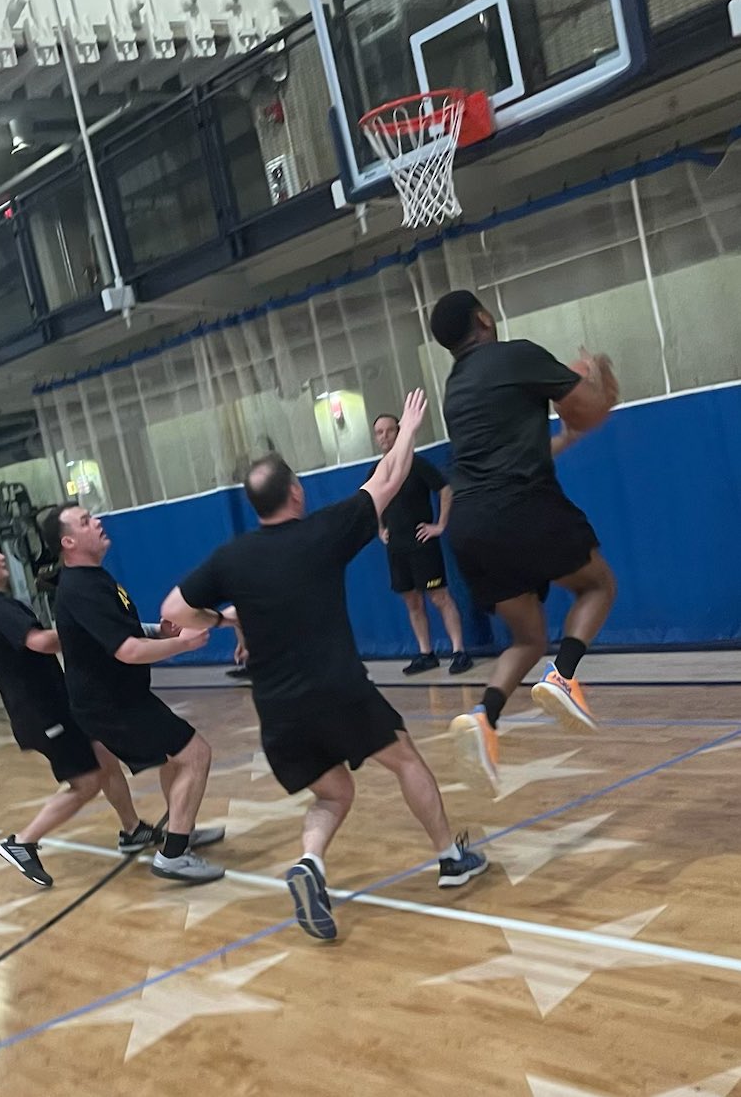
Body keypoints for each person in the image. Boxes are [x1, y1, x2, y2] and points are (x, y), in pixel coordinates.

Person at [162, 389, 487, 943]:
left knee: (333, 793)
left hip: (278, 712)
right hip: (338, 692)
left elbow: (172, 611)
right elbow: (387, 482)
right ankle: (450, 858)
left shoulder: (231, 557)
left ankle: (309, 863)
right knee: (406, 760)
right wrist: (407, 429)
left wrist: (226, 622)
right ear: (295, 492)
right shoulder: (325, 530)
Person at [429, 290, 619, 795]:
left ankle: (483, 718)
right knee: (597, 585)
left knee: (528, 638)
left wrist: (567, 436)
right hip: (521, 508)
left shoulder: (457, 386)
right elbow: (590, 411)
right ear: (484, 317)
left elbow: (523, 449)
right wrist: (594, 376)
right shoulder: (516, 354)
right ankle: (564, 676)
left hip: (471, 524)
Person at [0, 539, 162, 888]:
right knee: (86, 782)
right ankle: (22, 843)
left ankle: (132, 830)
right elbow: (42, 642)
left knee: (104, 757)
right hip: (43, 713)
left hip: (60, 702)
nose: (1, 555)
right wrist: (86, 629)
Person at [40, 504, 227, 885]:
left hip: (121, 699)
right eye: (86, 521)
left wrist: (160, 632)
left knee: (174, 761)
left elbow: (119, 630)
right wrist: (185, 646)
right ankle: (173, 855)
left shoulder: (95, 579)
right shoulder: (80, 588)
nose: (98, 523)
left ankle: (181, 830)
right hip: (111, 706)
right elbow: (127, 650)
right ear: (69, 541)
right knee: (196, 755)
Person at [370, 412, 473, 676]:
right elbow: (371, 502)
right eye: (379, 432)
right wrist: (381, 529)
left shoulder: (416, 464)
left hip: (422, 544)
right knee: (412, 602)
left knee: (439, 597)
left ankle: (459, 651)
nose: (385, 437)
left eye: (389, 431)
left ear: (399, 432)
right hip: (397, 549)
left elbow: (445, 490)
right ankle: (426, 653)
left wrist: (439, 525)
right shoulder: (376, 472)